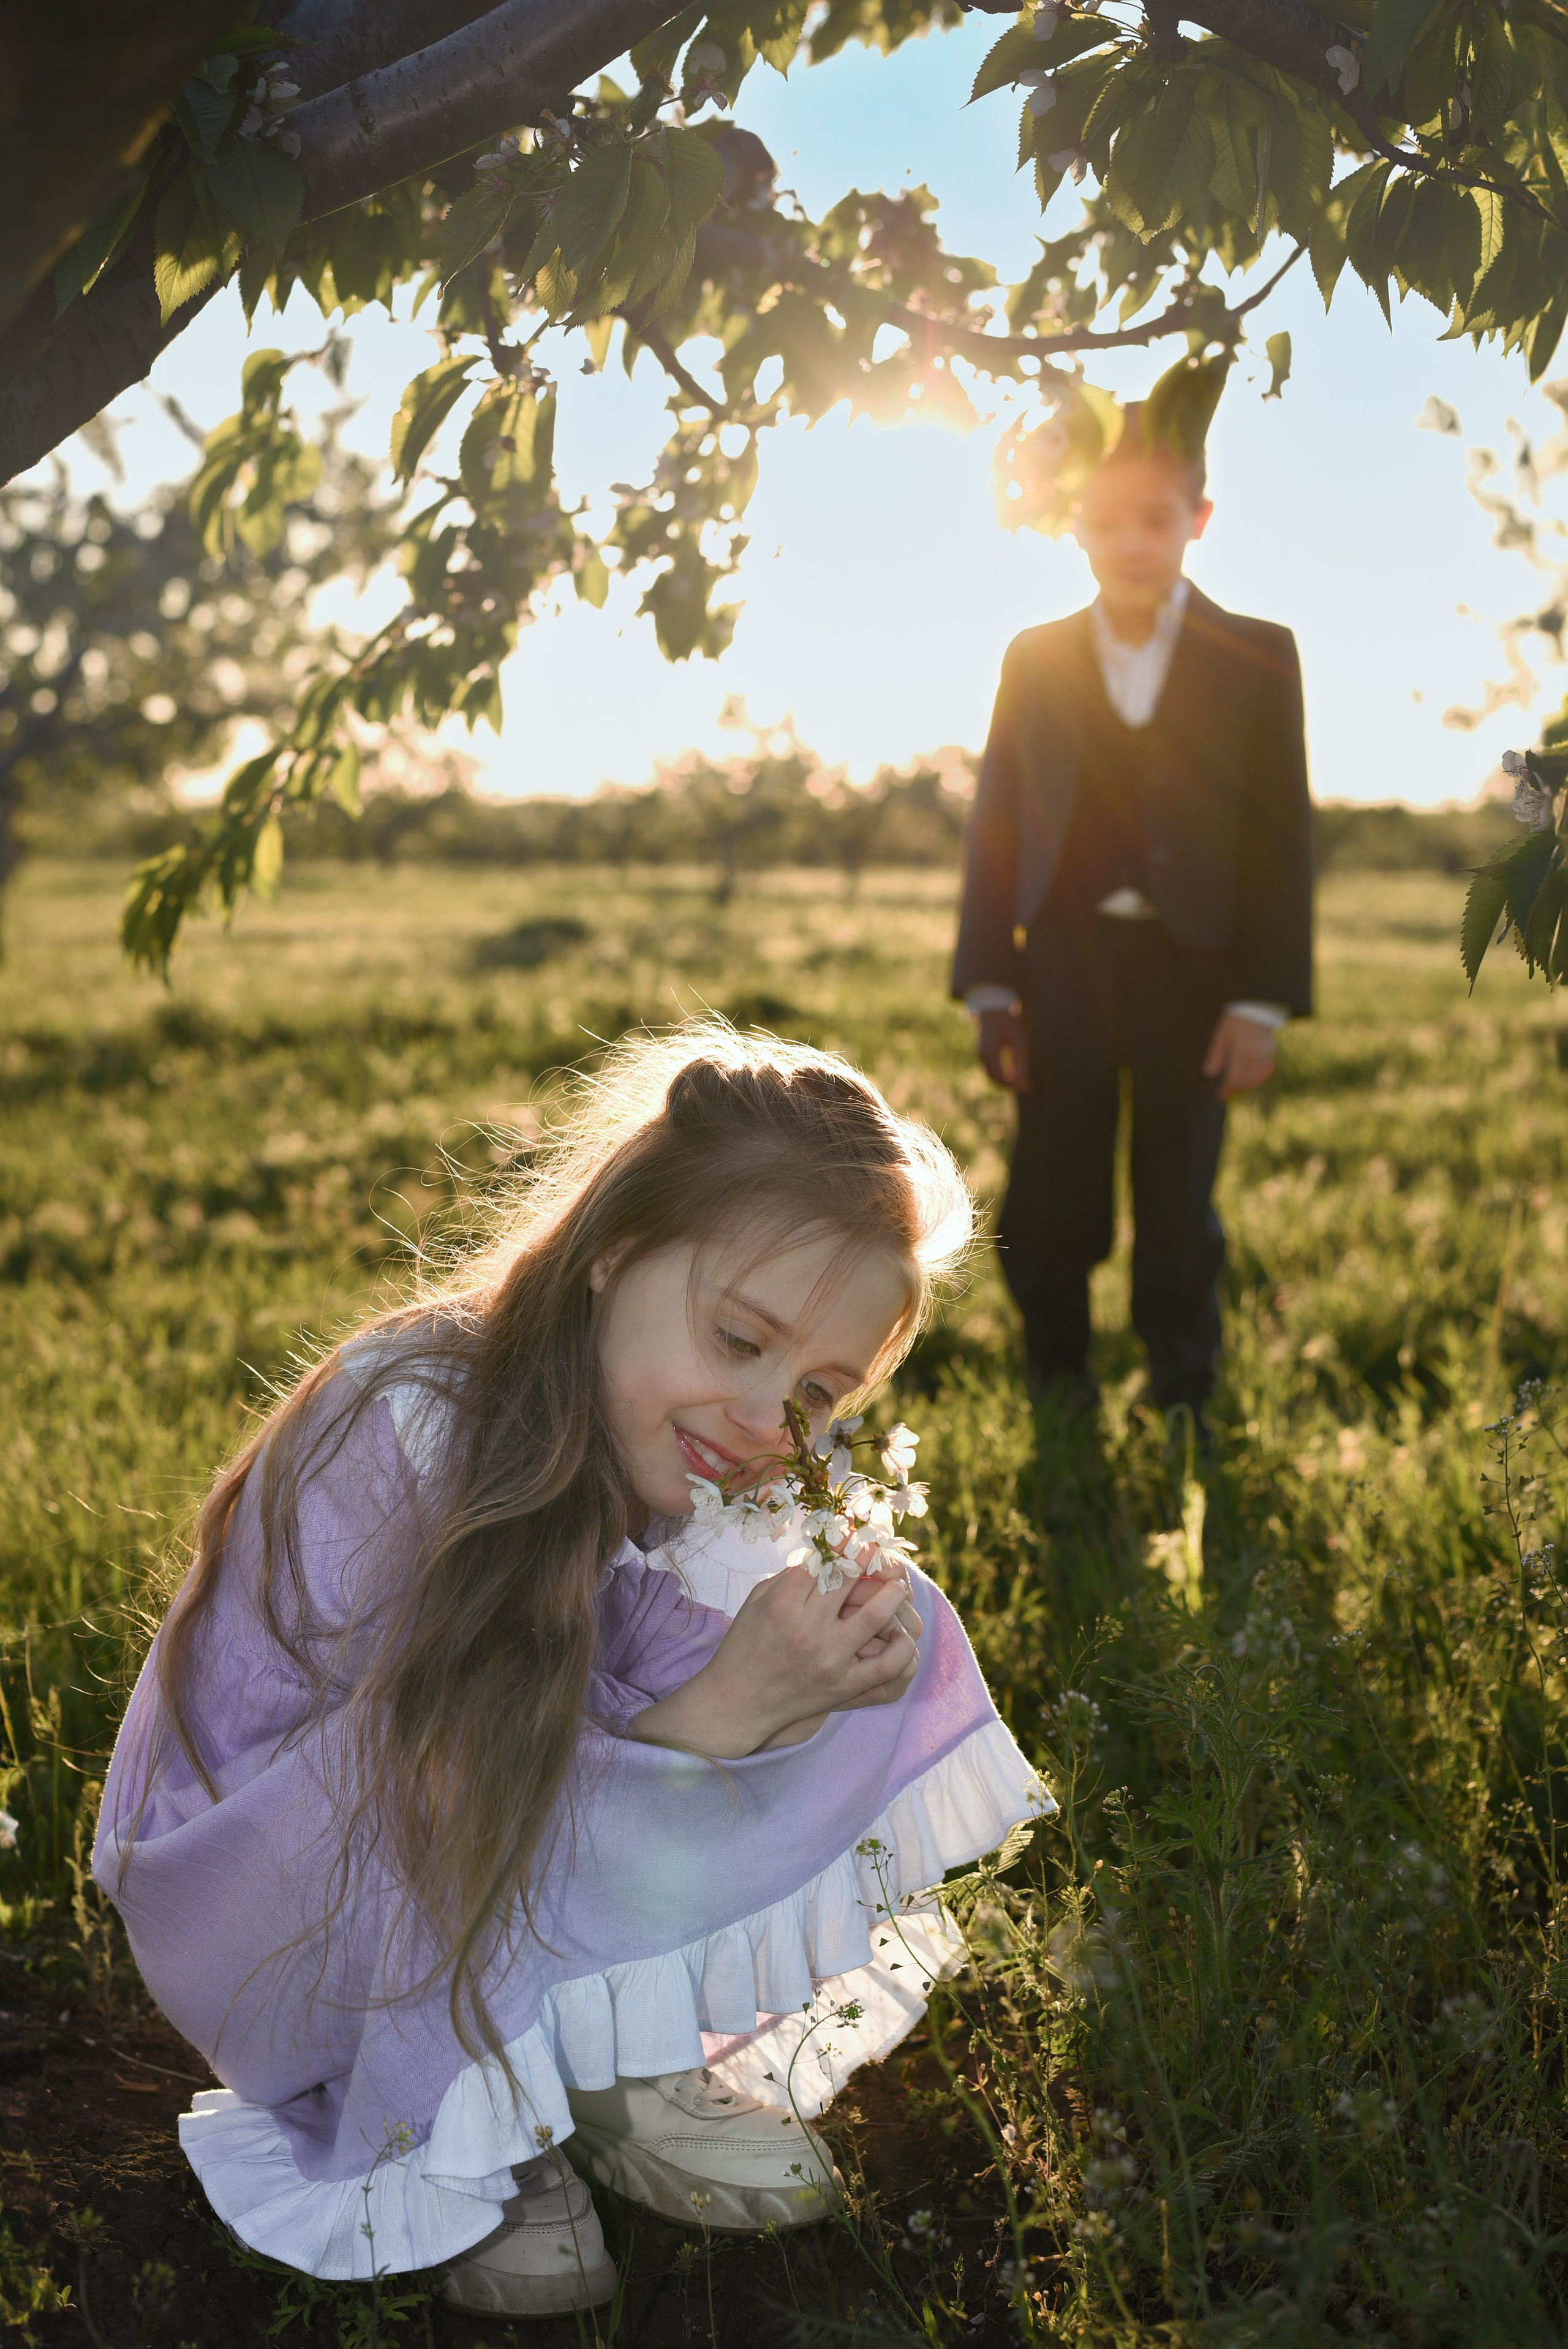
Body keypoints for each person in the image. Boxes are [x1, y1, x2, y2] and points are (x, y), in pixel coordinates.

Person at [94, 1026, 1044, 2318]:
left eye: (820, 1389)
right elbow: (438, 1765)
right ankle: (462, 2102)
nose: (771, 1420)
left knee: (865, 1614)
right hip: (277, 1907)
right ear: (613, 1252)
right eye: (736, 1338)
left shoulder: (679, 1450)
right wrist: (726, 1707)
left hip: (473, 1833)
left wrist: (784, 1667)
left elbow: (592, 1715)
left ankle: (604, 2048)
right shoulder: (416, 1417)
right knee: (526, 1723)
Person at [952, 404, 1313, 1419]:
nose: (1132, 545)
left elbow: (1281, 837)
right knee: (1053, 1179)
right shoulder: (1035, 655)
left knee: (1179, 1184)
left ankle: (1184, 1382)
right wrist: (992, 985)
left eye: (1156, 520)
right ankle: (1057, 1373)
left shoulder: (1261, 654)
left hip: (1196, 968)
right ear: (1074, 526)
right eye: (1108, 523)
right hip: (1061, 958)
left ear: (1200, 518)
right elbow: (999, 822)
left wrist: (1262, 1002)